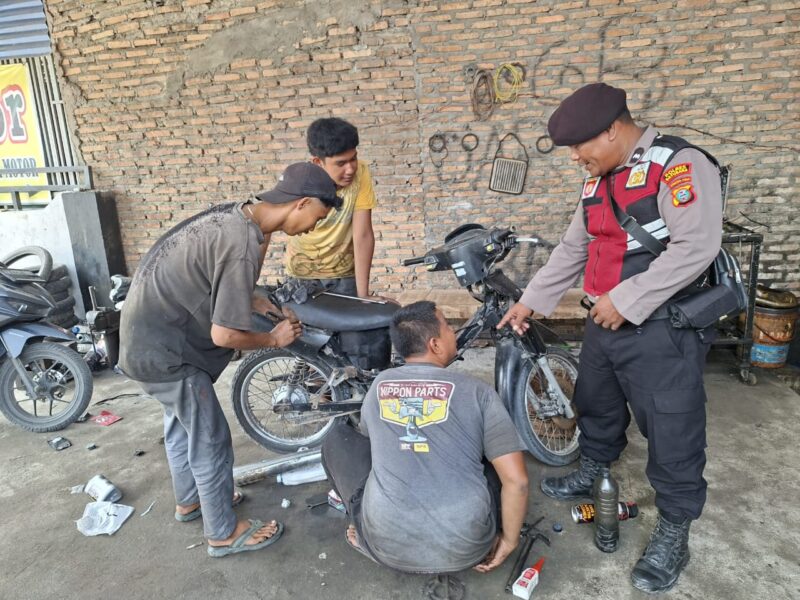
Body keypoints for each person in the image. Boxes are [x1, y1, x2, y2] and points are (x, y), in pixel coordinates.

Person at [498, 82, 722, 593]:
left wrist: (627, 298)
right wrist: (530, 300)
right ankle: (593, 471)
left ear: (613, 130)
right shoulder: (597, 183)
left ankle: (674, 529)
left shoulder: (677, 165)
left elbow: (697, 245)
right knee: (596, 403)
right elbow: (572, 249)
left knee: (673, 429)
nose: (575, 157)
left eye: (580, 146)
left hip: (662, 329)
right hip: (604, 322)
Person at [118, 162, 342, 557]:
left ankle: (192, 501)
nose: (313, 228)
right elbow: (224, 335)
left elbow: (223, 286)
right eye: (318, 218)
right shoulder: (242, 244)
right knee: (210, 438)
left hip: (143, 343)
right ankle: (222, 532)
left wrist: (264, 305)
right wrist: (273, 339)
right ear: (302, 203)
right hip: (170, 354)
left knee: (182, 426)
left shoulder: (237, 217)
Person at [321, 301, 529, 574]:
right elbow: (517, 482)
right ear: (435, 344)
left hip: (384, 545)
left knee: (338, 438)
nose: (453, 332)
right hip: (470, 548)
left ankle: (362, 528)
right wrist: (510, 541)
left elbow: (372, 444)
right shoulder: (479, 392)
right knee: (495, 455)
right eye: (449, 327)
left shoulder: (379, 385)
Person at [283, 117, 380, 300]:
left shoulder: (361, 173)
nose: (350, 169)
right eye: (341, 163)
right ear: (318, 162)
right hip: (302, 278)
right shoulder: (299, 180)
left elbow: (363, 234)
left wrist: (364, 295)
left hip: (345, 278)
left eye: (353, 158)